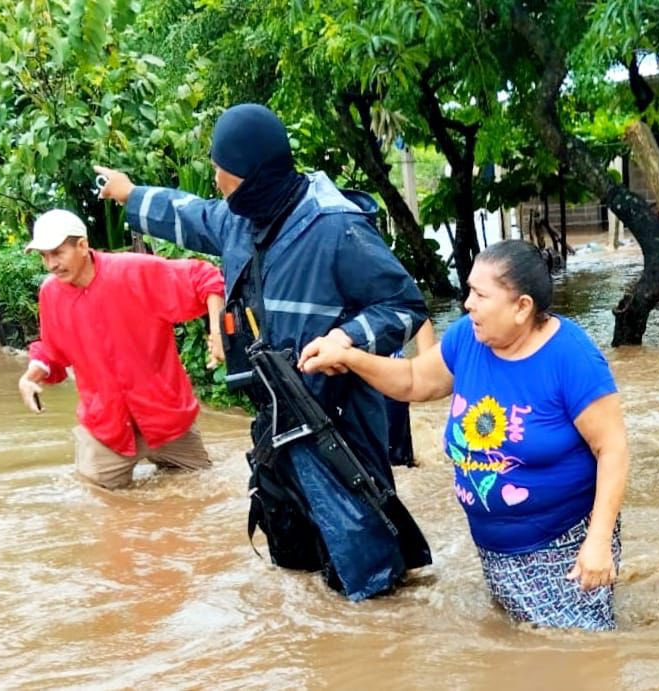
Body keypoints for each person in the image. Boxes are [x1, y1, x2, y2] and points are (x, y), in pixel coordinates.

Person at [93, 103, 431, 600]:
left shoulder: (335, 226)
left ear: (249, 177)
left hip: (336, 416)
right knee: (295, 563)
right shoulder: (241, 221)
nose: (215, 180)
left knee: (365, 565)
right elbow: (191, 216)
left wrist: (349, 338)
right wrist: (129, 194)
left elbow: (403, 305)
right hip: (276, 417)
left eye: (221, 172)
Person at [299, 239, 629, 630]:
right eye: (469, 290)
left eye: (480, 294)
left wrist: (598, 543)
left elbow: (613, 448)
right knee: (525, 647)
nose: (468, 303)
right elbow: (413, 380)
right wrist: (350, 358)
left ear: (522, 307)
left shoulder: (571, 358)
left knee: (579, 654)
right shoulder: (467, 338)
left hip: (563, 546)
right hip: (495, 549)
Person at [17, 209, 225, 489]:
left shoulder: (134, 270)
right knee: (102, 508)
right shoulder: (50, 294)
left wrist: (218, 330)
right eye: (44, 256)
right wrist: (31, 376)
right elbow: (53, 355)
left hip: (167, 419)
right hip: (107, 429)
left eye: (57, 253)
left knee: (204, 490)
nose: (51, 264)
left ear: (82, 245)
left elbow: (206, 278)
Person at [386, 319, 436, 467]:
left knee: (399, 464)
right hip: (351, 385)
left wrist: (426, 368)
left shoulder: (391, 296)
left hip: (392, 381)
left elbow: (420, 316)